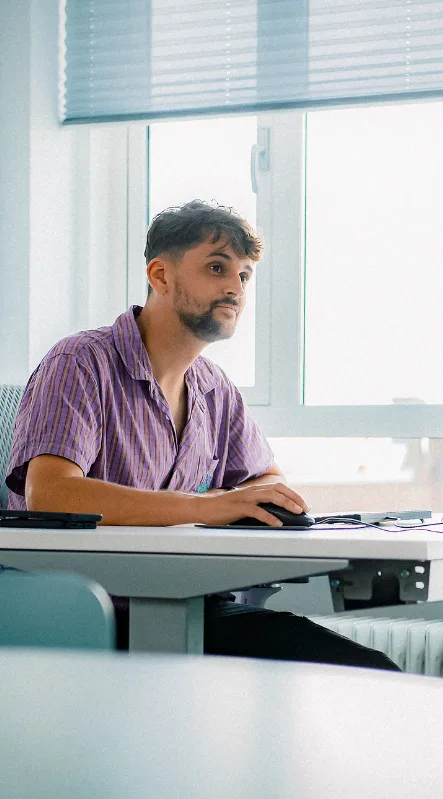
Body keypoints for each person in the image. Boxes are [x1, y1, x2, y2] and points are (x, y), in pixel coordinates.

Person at [5, 199, 398, 671]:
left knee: (364, 671)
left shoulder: (215, 389)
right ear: (161, 276)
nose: (235, 288)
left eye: (245, 276)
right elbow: (52, 495)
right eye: (218, 267)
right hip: (83, 613)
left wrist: (243, 501)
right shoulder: (81, 362)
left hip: (190, 604)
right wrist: (209, 507)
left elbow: (265, 484)